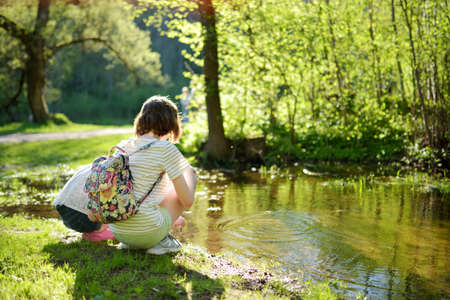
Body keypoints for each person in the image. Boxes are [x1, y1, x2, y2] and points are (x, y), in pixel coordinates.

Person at [108, 95, 197, 254]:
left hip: (118, 231)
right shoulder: (164, 148)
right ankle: (160, 241)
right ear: (171, 123)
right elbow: (187, 201)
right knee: (185, 184)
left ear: (141, 120)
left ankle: (134, 240)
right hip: (146, 233)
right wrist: (192, 175)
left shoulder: (123, 146)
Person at [53, 165, 116, 242]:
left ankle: (94, 230)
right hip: (78, 215)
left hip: (64, 208)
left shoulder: (104, 162)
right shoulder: (120, 171)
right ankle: (98, 229)